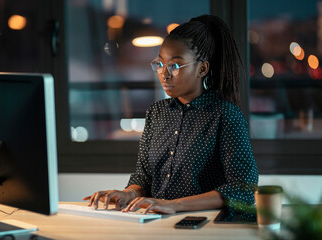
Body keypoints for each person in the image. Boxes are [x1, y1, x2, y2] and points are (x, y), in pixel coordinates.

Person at [83, 14, 259, 214]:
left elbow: (244, 188)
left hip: (202, 224)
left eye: (174, 65)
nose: (164, 73)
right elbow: (144, 177)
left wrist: (175, 205)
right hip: (155, 220)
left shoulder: (225, 115)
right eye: (159, 64)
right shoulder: (156, 113)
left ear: (202, 68)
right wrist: (129, 194)